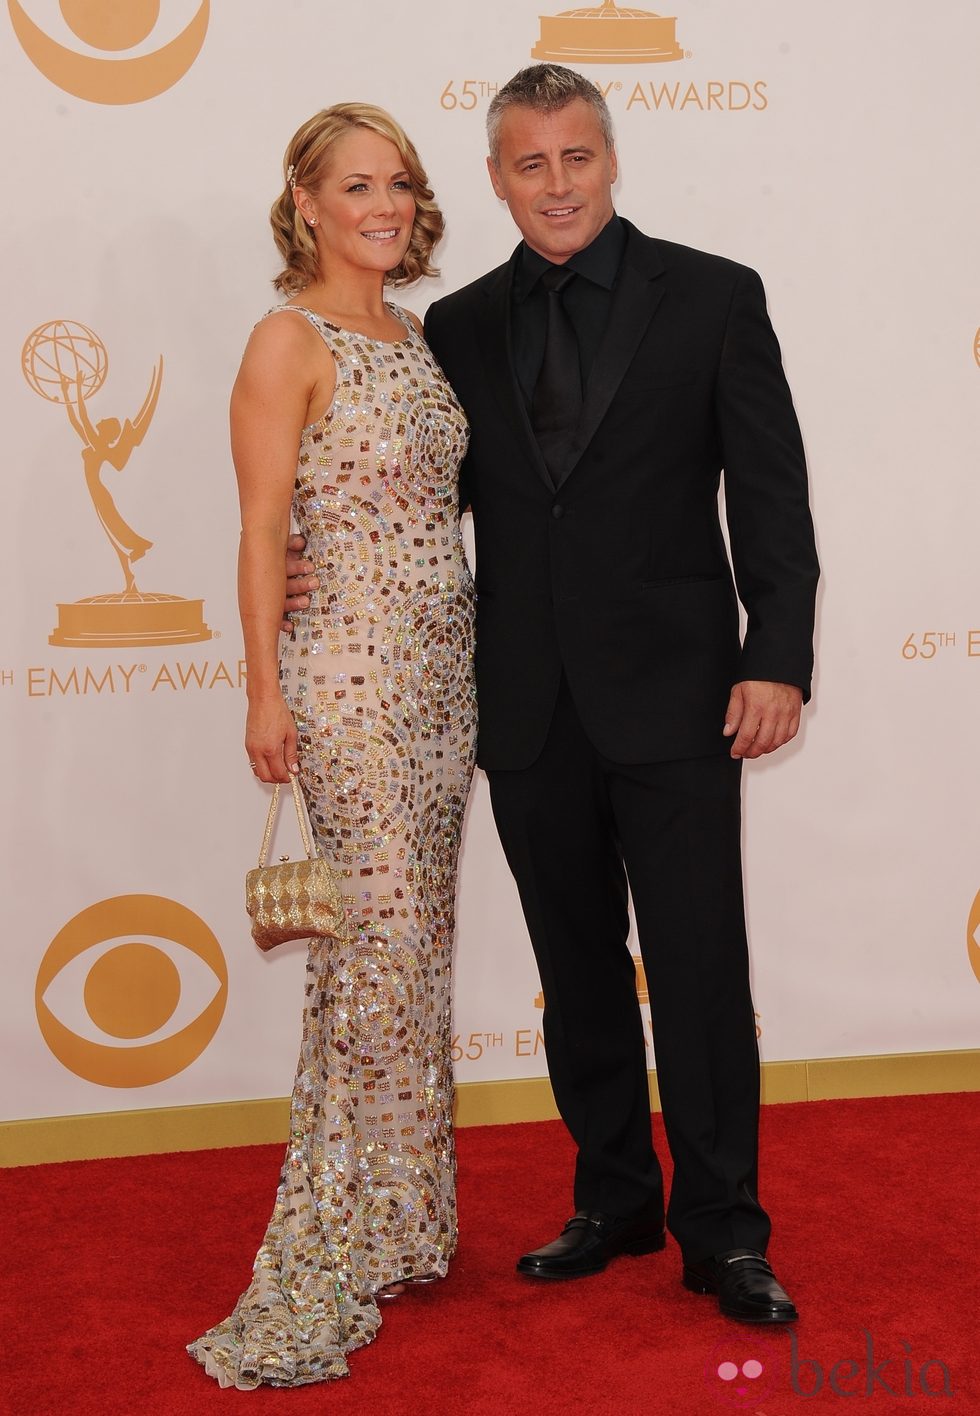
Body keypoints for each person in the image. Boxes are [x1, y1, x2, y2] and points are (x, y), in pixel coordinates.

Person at [286, 65, 820, 1325]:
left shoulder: (711, 294)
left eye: (575, 156)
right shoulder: (456, 327)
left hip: (684, 696)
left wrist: (776, 654)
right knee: (576, 971)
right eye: (528, 164)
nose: (556, 183)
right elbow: (415, 492)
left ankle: (723, 1231)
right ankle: (615, 1198)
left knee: (695, 969)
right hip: (522, 703)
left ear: (610, 158)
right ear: (493, 180)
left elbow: (772, 491)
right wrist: (319, 551)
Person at [189, 104, 476, 1389]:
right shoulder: (284, 339)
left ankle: (402, 1217)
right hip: (347, 683)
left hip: (440, 681)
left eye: (399, 184)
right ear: (303, 201)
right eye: (355, 184)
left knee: (416, 948)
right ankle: (335, 1231)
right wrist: (264, 691)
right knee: (369, 951)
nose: (383, 204)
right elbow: (260, 531)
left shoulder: (413, 337)